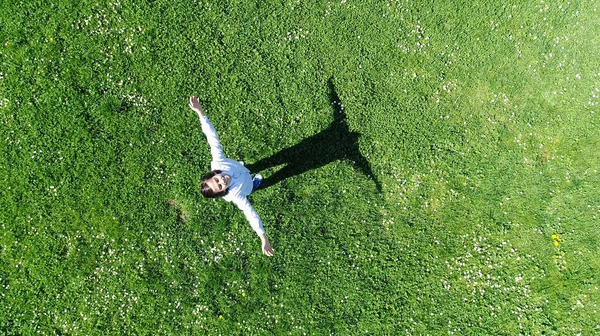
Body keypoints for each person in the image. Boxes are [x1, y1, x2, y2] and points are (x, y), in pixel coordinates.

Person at [189, 96, 274, 257]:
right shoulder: (237, 195)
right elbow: (251, 215)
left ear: (214, 173)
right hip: (246, 186)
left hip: (239, 168)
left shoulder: (219, 162)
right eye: (220, 186)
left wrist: (200, 113)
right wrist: (263, 238)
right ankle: (255, 185)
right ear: (223, 192)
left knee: (244, 168)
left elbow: (212, 138)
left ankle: (246, 170)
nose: (222, 180)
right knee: (250, 185)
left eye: (216, 179)